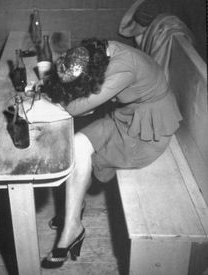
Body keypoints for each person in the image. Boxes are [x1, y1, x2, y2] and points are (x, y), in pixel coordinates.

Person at [22, 38, 182, 269]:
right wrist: (52, 87)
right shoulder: (103, 50)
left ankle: (71, 227)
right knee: (76, 145)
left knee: (83, 154)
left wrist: (49, 94)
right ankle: (73, 218)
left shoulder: (123, 66)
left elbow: (77, 108)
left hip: (147, 131)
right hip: (127, 115)